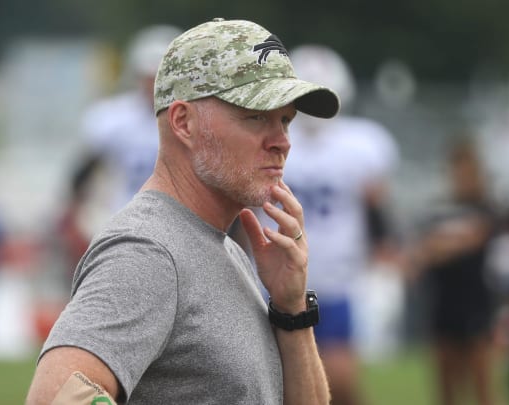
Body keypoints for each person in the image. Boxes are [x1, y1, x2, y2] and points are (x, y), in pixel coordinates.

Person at [26, 18, 339, 404]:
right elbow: (54, 398)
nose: (282, 143)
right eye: (257, 116)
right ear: (183, 122)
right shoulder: (145, 251)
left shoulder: (220, 244)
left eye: (286, 120)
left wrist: (292, 311)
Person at [254, 44, 400, 405]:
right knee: (270, 380)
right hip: (270, 273)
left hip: (335, 277)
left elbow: (375, 205)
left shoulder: (361, 143)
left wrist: (386, 249)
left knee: (340, 380)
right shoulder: (268, 138)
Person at [412, 138, 498, 405]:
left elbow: (472, 238)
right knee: (446, 385)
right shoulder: (439, 209)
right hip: (443, 300)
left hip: (475, 301)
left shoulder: (485, 206)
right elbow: (421, 252)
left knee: (481, 382)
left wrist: (440, 247)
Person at [79, 24, 183, 216]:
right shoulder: (113, 118)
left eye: (159, 76)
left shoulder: (193, 117)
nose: (153, 84)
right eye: (148, 77)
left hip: (178, 217)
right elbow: (85, 171)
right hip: (125, 215)